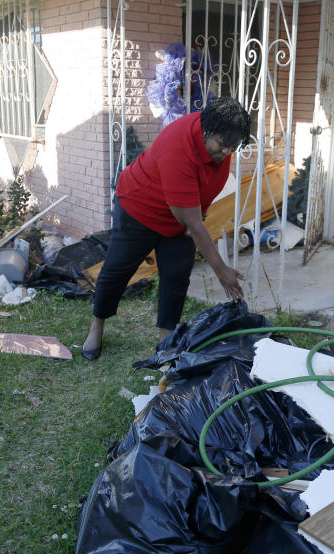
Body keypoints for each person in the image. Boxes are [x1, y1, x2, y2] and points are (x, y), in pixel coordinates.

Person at [81, 97, 251, 360]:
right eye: (222, 145)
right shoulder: (178, 146)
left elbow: (200, 198)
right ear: (207, 131)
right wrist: (222, 271)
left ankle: (167, 340)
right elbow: (193, 222)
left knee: (176, 275)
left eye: (233, 147)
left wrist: (199, 210)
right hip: (140, 208)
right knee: (117, 269)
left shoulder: (219, 143)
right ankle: (97, 325)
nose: (226, 152)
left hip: (179, 216)